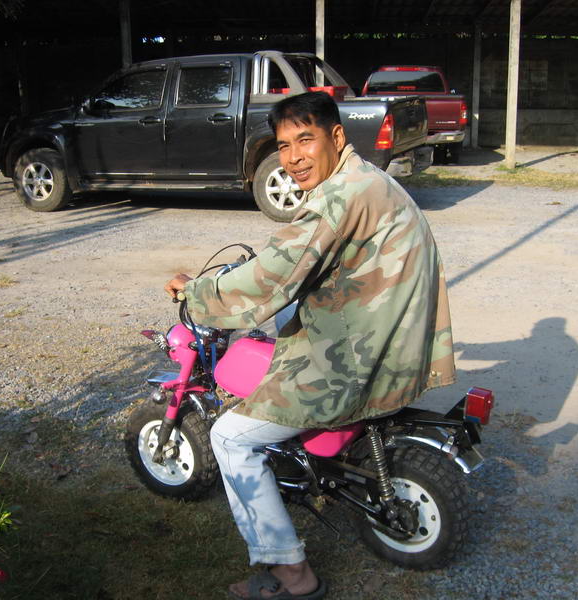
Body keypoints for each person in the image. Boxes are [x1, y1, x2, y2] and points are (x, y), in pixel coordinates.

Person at [164, 91, 455, 600]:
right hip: (395, 339)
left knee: (229, 437)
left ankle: (293, 576)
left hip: (363, 359)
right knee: (282, 318)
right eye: (284, 146)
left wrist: (198, 292)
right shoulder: (368, 179)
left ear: (335, 137)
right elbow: (298, 263)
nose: (294, 157)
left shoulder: (336, 199)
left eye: (306, 140)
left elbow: (272, 276)